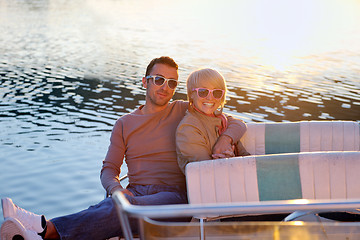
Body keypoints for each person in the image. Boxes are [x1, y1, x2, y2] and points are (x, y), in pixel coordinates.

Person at [1, 57, 246, 240]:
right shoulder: (124, 123)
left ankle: (45, 228)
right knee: (117, 203)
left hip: (174, 196)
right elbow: (109, 169)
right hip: (136, 191)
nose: (165, 87)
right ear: (145, 82)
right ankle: (37, 233)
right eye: (159, 79)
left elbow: (235, 121)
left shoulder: (185, 109)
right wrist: (116, 188)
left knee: (123, 207)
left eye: (172, 83)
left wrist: (225, 140)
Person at [176, 68, 250, 174]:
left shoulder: (219, 117)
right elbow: (208, 171)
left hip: (236, 175)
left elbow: (240, 124)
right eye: (203, 92)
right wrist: (230, 162)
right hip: (209, 185)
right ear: (191, 94)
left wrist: (225, 140)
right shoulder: (187, 129)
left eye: (217, 93)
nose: (210, 98)